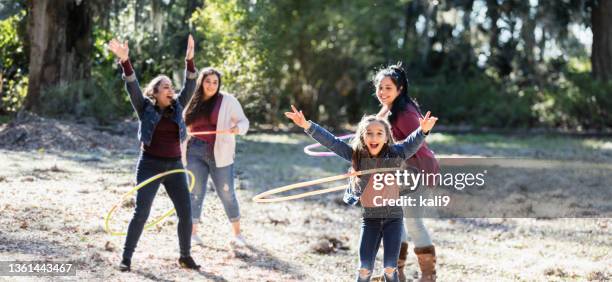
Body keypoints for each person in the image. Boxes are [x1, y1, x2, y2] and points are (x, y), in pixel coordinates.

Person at [285, 105, 437, 282]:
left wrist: (423, 130)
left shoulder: (396, 154)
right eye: (369, 133)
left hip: (393, 219)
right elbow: (333, 142)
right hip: (370, 219)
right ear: (363, 137)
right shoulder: (356, 156)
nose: (374, 137)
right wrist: (306, 124)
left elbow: (412, 143)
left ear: (387, 137)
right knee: (364, 269)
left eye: (379, 133)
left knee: (390, 268)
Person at [107, 35, 200, 271]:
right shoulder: (145, 107)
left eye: (171, 86)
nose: (171, 89)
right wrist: (125, 61)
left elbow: (190, 82)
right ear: (156, 92)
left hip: (176, 166)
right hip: (150, 165)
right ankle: (126, 259)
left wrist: (190, 60)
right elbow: (132, 86)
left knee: (186, 214)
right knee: (141, 212)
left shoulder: (179, 105)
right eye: (166, 86)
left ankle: (185, 256)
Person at [374, 63, 440, 281]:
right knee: (394, 221)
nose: (382, 93)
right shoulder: (392, 107)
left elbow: (416, 143)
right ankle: (396, 274)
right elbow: (377, 126)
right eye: (380, 88)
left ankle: (428, 276)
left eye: (388, 88)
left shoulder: (405, 113)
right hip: (402, 172)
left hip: (419, 171)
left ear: (400, 89)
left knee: (412, 221)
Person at [182, 66, 249, 248]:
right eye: (208, 81)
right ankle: (193, 234)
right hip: (194, 150)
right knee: (195, 192)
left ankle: (238, 234)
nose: (211, 85)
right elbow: (179, 122)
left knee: (226, 192)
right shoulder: (191, 100)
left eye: (215, 82)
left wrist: (238, 129)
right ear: (201, 82)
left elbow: (244, 122)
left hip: (220, 152)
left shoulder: (227, 100)